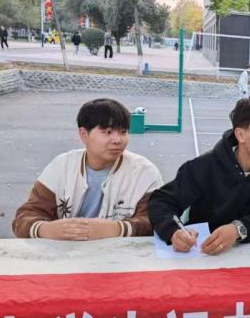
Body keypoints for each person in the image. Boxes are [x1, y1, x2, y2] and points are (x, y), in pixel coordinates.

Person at [149, 96, 250, 254]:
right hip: (202, 254)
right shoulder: (204, 166)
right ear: (240, 135)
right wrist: (174, 231)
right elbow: (161, 201)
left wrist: (238, 229)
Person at [13, 99, 163, 239]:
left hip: (122, 256)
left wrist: (117, 229)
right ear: (84, 135)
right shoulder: (61, 167)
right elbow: (24, 217)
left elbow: (156, 220)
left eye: (123, 132)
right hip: (66, 253)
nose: (117, 140)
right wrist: (46, 229)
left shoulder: (145, 172)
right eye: (108, 132)